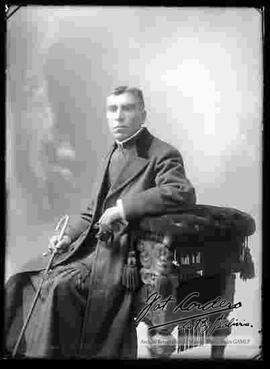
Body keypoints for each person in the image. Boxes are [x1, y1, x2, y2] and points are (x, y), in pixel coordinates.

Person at [5, 86, 196, 359]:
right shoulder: (111, 155)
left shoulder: (162, 153)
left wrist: (122, 210)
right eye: (112, 110)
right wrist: (67, 237)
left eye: (127, 109)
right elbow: (90, 214)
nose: (118, 117)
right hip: (88, 250)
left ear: (143, 114)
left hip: (121, 257)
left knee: (58, 288)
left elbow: (181, 191)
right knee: (21, 282)